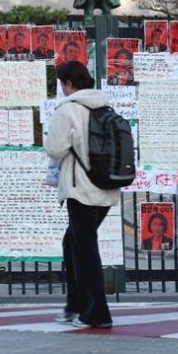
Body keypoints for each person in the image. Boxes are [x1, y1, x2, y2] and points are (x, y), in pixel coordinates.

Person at [44, 61, 119, 329]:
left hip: (81, 191)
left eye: (62, 84)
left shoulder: (68, 110)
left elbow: (54, 149)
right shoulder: (104, 107)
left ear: (68, 83)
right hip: (106, 188)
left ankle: (97, 313)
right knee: (73, 243)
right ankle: (76, 304)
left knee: (85, 250)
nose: (62, 89)